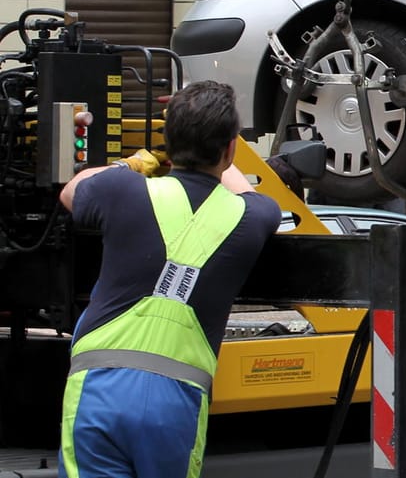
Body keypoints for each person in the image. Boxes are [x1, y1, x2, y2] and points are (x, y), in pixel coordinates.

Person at [56, 81, 281, 478]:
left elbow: (72, 190)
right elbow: (244, 190)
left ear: (166, 140)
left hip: (97, 386)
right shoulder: (254, 217)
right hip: (176, 398)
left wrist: (137, 162)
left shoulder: (120, 189)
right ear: (229, 149)